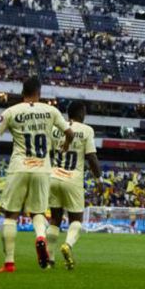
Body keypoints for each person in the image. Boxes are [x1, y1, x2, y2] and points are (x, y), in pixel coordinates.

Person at [0, 77, 74, 272]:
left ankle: (9, 262)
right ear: (39, 92)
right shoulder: (51, 111)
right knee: (37, 212)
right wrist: (66, 145)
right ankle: (40, 238)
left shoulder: (11, 112)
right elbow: (69, 133)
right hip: (42, 168)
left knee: (11, 215)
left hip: (19, 166)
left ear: (22, 92)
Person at [45, 101, 101, 270]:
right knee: (76, 220)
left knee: (54, 219)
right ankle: (67, 245)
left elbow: (48, 152)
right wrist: (99, 179)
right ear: (81, 112)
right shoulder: (86, 130)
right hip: (73, 179)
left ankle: (50, 259)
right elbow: (91, 157)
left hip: (53, 176)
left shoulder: (55, 129)